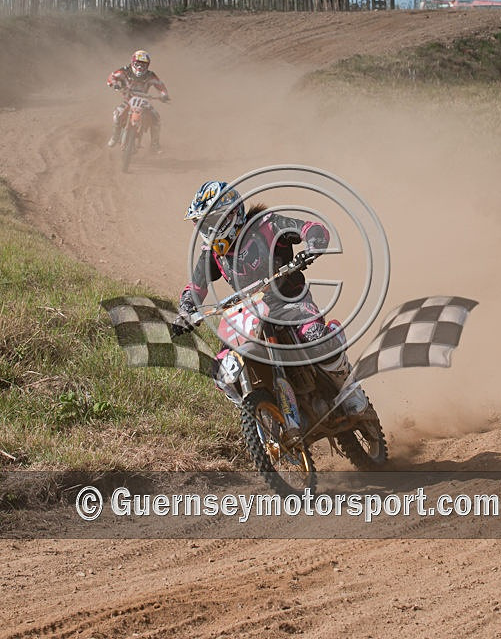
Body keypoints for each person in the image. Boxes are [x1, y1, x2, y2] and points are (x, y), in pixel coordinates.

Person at [173, 181, 368, 414]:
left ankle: (349, 390)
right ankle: (256, 415)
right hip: (248, 313)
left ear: (231, 214)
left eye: (211, 222)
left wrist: (313, 243)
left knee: (315, 337)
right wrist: (185, 310)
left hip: (289, 300)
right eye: (202, 225)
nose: (208, 230)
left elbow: (310, 227)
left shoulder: (265, 225)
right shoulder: (212, 253)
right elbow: (195, 287)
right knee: (222, 370)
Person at [106, 50, 170, 151]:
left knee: (156, 118)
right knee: (116, 114)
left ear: (147, 65)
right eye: (137, 64)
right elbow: (112, 76)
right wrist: (115, 84)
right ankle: (115, 136)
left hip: (144, 102)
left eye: (143, 65)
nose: (140, 67)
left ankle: (155, 144)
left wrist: (164, 95)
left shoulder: (151, 75)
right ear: (133, 62)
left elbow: (160, 85)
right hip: (128, 100)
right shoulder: (125, 71)